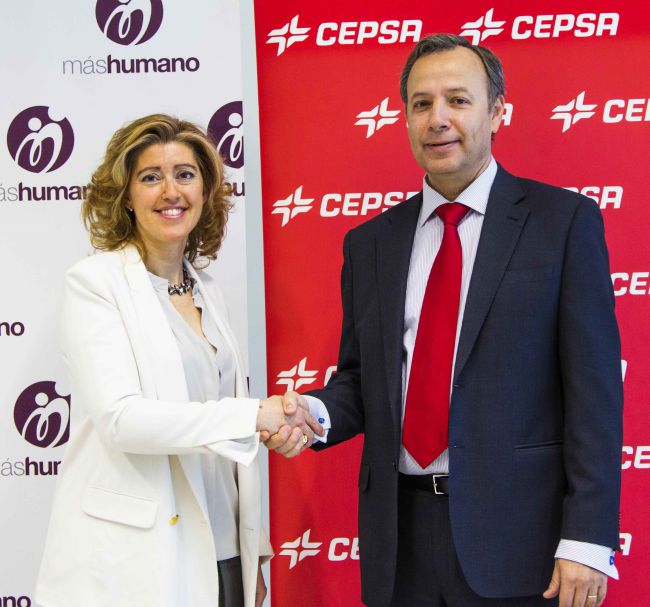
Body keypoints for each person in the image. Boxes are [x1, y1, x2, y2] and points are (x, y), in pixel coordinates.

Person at [263, 34, 623, 607]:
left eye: (458, 100)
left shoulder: (563, 223)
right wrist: (315, 413)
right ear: (405, 117)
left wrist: (587, 537)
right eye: (421, 103)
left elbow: (595, 393)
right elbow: (361, 380)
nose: (438, 119)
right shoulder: (370, 243)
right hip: (399, 542)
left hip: (521, 541)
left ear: (496, 112)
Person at [35, 114, 322, 607]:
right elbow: (122, 420)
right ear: (126, 195)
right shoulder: (95, 283)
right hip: (139, 562)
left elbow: (220, 434)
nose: (171, 191)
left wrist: (252, 550)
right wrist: (254, 414)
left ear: (205, 191)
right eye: (151, 177)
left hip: (222, 550)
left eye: (185, 175)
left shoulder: (207, 291)